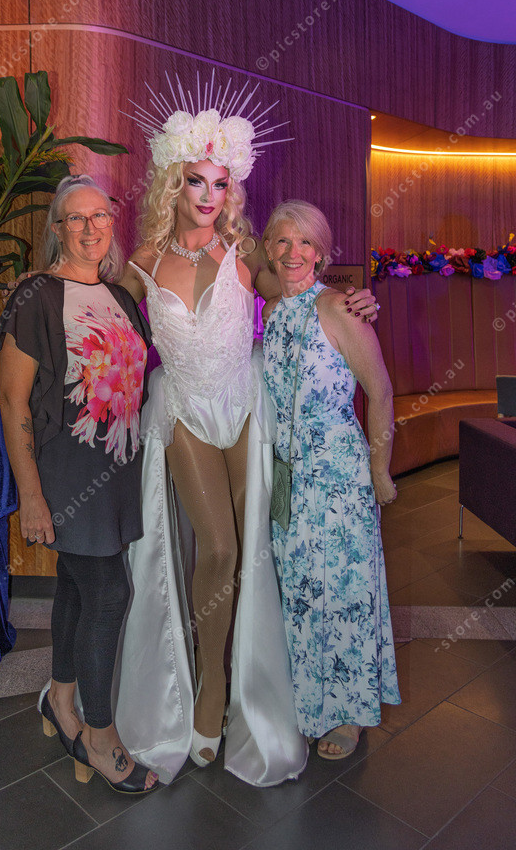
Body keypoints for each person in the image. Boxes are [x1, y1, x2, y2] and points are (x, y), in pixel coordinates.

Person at [114, 74, 380, 784]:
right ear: (174, 183)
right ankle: (208, 692)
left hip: (246, 407)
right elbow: (103, 326)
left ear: (230, 189)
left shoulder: (245, 254)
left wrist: (355, 300)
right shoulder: (140, 266)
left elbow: (301, 290)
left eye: (219, 183)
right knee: (221, 549)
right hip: (186, 413)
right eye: (195, 181)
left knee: (252, 552)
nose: (208, 195)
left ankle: (247, 681)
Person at [0, 175, 158, 794]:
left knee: (77, 586)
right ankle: (98, 736)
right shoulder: (36, 296)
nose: (91, 228)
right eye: (77, 218)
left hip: (114, 470)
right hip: (65, 472)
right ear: (57, 229)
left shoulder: (119, 296)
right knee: (109, 592)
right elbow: (12, 400)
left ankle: (58, 699)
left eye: (101, 216)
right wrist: (31, 495)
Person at [262, 199, 400, 760]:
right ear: (269, 250)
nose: (294, 253)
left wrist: (379, 470)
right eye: (283, 241)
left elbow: (381, 392)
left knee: (343, 592)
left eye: (306, 243)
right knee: (299, 593)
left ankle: (348, 712)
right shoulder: (270, 310)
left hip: (339, 474)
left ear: (321, 253)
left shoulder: (341, 308)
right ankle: (307, 703)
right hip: (287, 475)